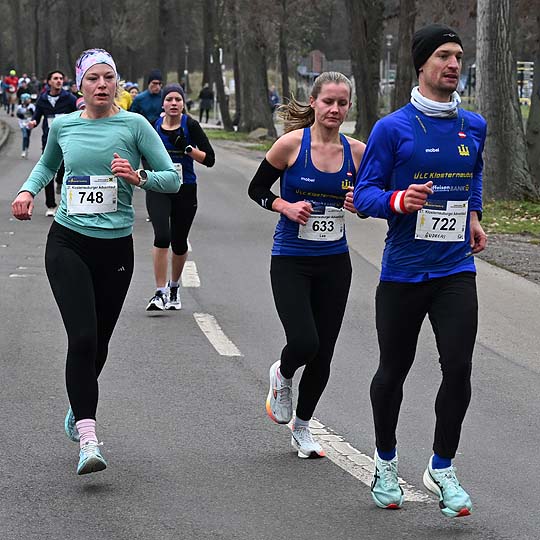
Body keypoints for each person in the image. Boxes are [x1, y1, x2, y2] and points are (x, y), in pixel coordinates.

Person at [11, 48, 180, 476]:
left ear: (117, 83)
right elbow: (47, 165)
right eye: (93, 78)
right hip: (68, 241)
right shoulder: (64, 125)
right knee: (83, 337)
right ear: (79, 85)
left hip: (115, 248)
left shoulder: (135, 125)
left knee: (99, 344)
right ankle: (89, 438)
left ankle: (78, 403)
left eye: (108, 77)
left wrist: (138, 177)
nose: (102, 85)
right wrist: (27, 190)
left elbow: (172, 179)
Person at [353, 24, 487, 517]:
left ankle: (442, 466)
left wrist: (473, 216)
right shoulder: (392, 128)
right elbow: (364, 195)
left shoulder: (474, 125)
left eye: (458, 56)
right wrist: (399, 200)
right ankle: (385, 461)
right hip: (404, 272)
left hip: (455, 269)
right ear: (422, 64)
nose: (453, 64)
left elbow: (473, 174)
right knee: (393, 371)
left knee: (459, 368)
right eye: (444, 56)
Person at [248, 72, 365, 459]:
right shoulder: (290, 145)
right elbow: (256, 189)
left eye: (342, 103)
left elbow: (372, 199)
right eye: (328, 101)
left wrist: (360, 205)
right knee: (304, 342)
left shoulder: (357, 152)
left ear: (349, 107)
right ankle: (282, 374)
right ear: (313, 102)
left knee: (323, 354)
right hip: (291, 260)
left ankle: (302, 427)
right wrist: (283, 205)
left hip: (335, 263)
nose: (334, 109)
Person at [145, 83, 215, 310]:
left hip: (185, 189)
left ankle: (174, 287)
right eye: (169, 99)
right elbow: (143, 152)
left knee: (178, 241)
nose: (173, 103)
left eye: (178, 99)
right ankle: (160, 292)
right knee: (162, 236)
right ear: (163, 104)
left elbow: (210, 159)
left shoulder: (190, 125)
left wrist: (187, 148)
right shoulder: (153, 126)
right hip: (159, 187)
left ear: (183, 104)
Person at [27, 70, 77, 215]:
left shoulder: (69, 98)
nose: (59, 81)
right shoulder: (42, 99)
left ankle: (60, 181)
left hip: (67, 140)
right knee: (49, 169)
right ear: (49, 82)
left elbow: (79, 114)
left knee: (63, 168)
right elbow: (37, 116)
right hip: (49, 140)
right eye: (55, 78)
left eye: (61, 78)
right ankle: (51, 205)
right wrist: (33, 122)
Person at [16, 93, 35, 158]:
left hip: (29, 123)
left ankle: (27, 148)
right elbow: (18, 115)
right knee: (25, 136)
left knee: (28, 136)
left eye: (29, 99)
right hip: (22, 123)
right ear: (24, 100)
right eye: (28, 99)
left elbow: (34, 114)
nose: (29, 100)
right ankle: (23, 150)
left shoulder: (32, 106)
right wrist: (22, 115)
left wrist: (32, 112)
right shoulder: (19, 107)